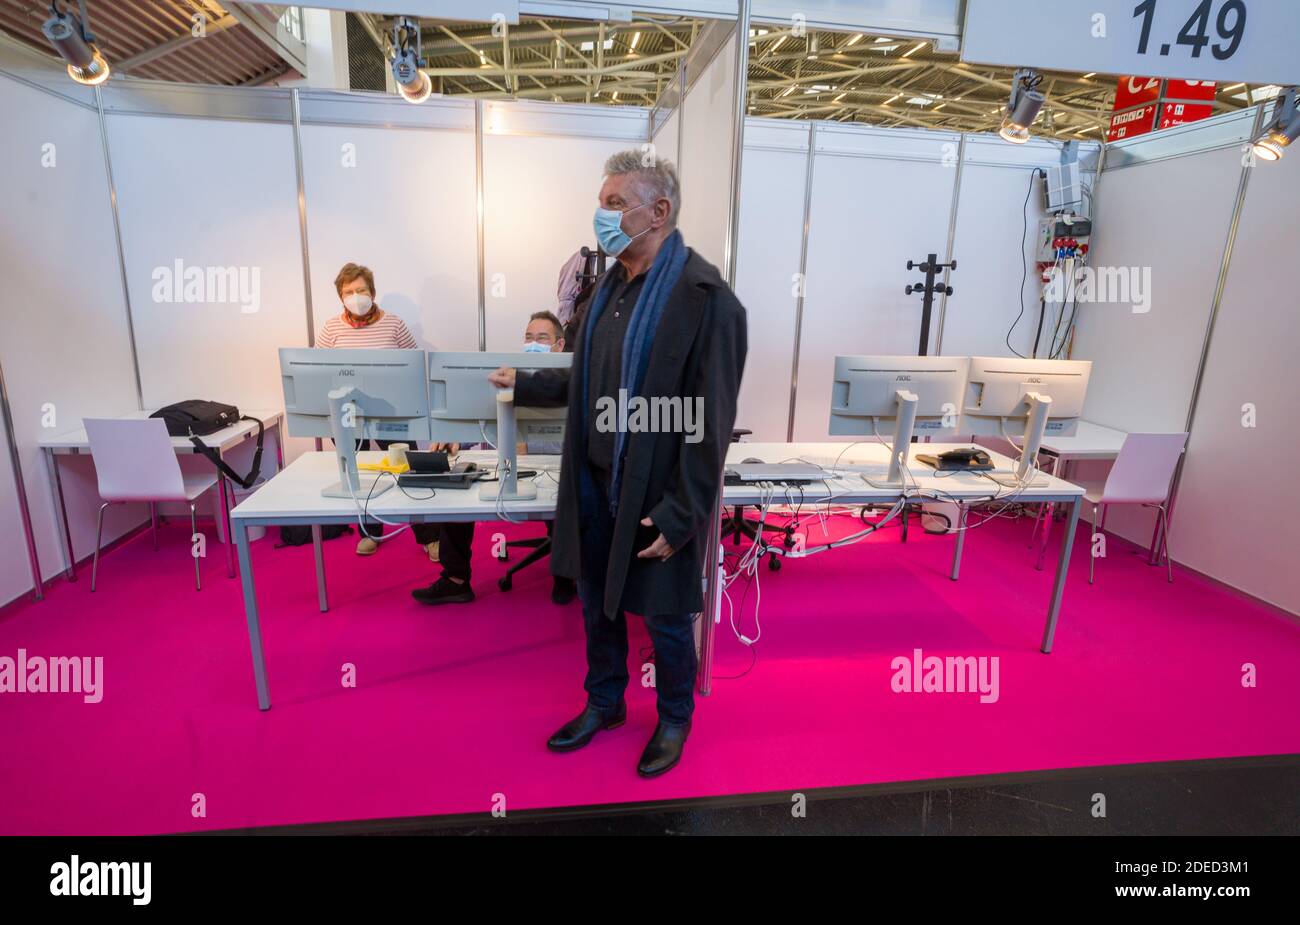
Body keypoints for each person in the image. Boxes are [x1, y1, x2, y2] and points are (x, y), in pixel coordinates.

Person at [490, 150, 747, 778]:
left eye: (614, 204)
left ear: (657, 211)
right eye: (601, 202)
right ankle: (604, 702)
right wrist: (528, 386)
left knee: (663, 616)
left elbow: (709, 424)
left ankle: (674, 717)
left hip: (657, 493)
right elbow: (587, 379)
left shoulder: (708, 301)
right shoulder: (606, 290)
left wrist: (683, 513)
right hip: (594, 482)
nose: (601, 217)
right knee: (594, 603)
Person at [410, 311, 577, 607]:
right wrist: (456, 437)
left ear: (559, 345)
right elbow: (482, 421)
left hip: (555, 470)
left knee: (569, 498)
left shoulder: (570, 381)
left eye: (542, 338)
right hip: (507, 467)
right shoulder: (507, 376)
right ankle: (456, 579)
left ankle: (566, 575)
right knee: (457, 490)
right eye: (528, 337)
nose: (532, 344)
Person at [316, 263, 443, 559]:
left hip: (392, 414)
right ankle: (370, 531)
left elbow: (413, 367)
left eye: (361, 290)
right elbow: (317, 368)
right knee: (357, 473)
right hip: (347, 416)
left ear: (372, 292)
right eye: (348, 292)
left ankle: (428, 536)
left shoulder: (394, 324)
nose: (355, 296)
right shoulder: (331, 328)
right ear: (340, 297)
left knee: (406, 472)